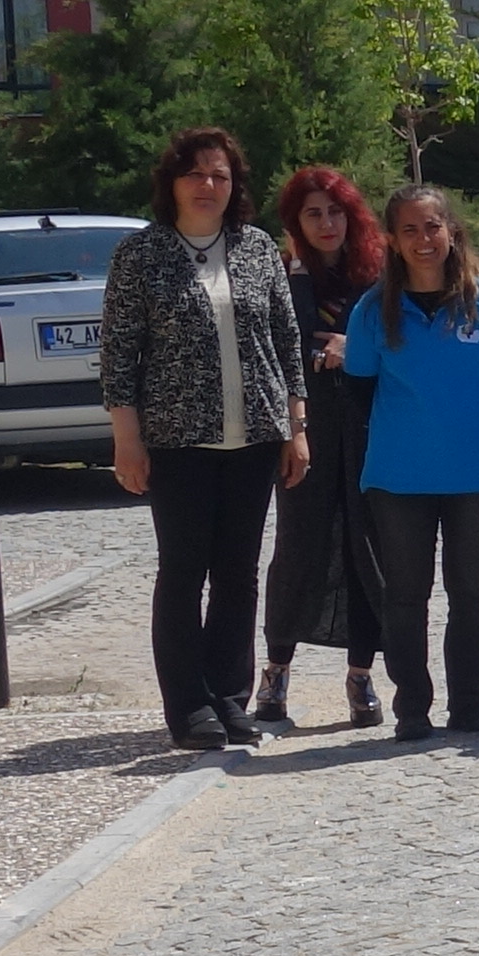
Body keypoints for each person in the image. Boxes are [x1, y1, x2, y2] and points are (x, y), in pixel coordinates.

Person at [101, 127, 310, 752]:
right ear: (172, 183)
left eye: (220, 176)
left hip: (254, 439)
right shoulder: (140, 256)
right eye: (195, 174)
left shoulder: (256, 249)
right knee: (184, 572)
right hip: (176, 441)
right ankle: (187, 706)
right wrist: (126, 439)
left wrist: (297, 428)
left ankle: (229, 697)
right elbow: (118, 355)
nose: (208, 186)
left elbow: (287, 340)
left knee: (239, 575)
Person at [338, 181, 479, 737]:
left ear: (452, 232)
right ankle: (411, 707)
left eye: (433, 227)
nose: (425, 239)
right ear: (393, 240)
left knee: (472, 589)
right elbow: (359, 392)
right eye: (411, 230)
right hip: (399, 475)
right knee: (405, 595)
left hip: (475, 472)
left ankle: (469, 702)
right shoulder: (373, 312)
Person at [247, 164, 382, 737]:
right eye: (312, 213)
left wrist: (355, 347)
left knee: (367, 549)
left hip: (369, 427)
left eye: (335, 211)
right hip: (303, 430)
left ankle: (360, 675)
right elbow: (274, 346)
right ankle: (275, 671)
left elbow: (393, 344)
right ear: (295, 223)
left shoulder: (378, 276)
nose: (327, 224)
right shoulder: (282, 275)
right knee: (298, 546)